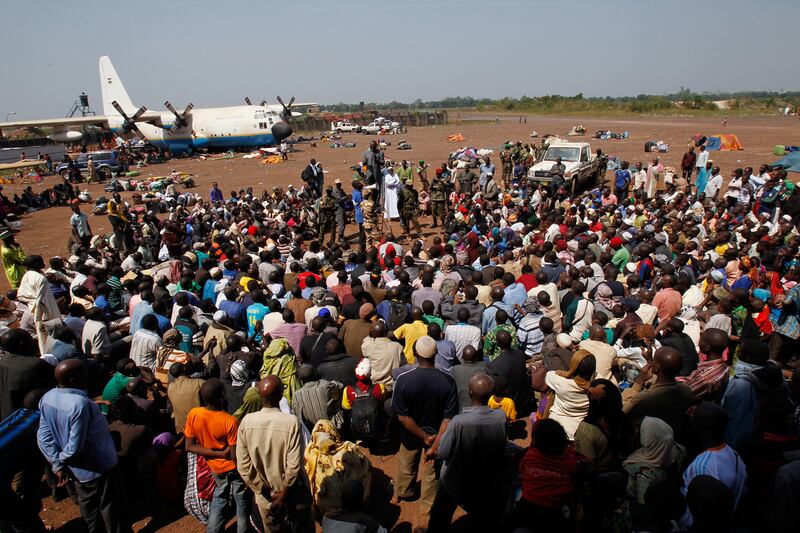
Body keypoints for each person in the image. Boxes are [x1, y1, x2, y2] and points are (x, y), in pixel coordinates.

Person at [37, 359, 131, 533]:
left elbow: (43, 436)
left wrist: (57, 463)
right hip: (100, 467)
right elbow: (75, 444)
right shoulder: (80, 405)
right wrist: (62, 461)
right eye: (83, 373)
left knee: (90, 509)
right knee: (113, 511)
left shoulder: (48, 397)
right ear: (73, 379)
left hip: (78, 470)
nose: (87, 376)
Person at [428, 373, 507, 530]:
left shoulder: (459, 421)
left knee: (440, 515)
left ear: (470, 392)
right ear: (491, 395)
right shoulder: (500, 416)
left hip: (455, 478)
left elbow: (443, 452)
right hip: (485, 477)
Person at [392, 336, 458, 522]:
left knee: (406, 463)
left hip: (411, 433)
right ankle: (427, 511)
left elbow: (402, 416)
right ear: (435, 354)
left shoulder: (404, 380)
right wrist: (434, 443)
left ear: (414, 354)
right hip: (438, 435)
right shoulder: (448, 380)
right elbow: (449, 417)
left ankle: (401, 492)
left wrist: (423, 436)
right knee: (433, 474)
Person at [237, 375, 312, 532]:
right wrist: (283, 495)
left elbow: (243, 466)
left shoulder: (246, 423)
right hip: (292, 495)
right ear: (280, 396)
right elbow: (293, 465)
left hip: (266, 499)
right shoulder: (291, 422)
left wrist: (264, 491)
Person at [184, 379, 250, 533]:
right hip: (233, 468)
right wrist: (245, 476)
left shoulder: (194, 414)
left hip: (215, 468)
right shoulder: (229, 421)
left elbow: (189, 446)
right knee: (241, 503)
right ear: (222, 396)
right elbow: (234, 456)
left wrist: (215, 454)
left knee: (219, 499)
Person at [680, 402, 747, 528]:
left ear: (697, 427)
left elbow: (697, 514)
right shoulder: (735, 455)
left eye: (693, 420)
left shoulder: (701, 467)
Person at [517, 419, 588, 530]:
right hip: (554, 511)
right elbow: (584, 465)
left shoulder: (531, 455)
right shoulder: (571, 460)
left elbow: (521, 470)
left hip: (527, 507)